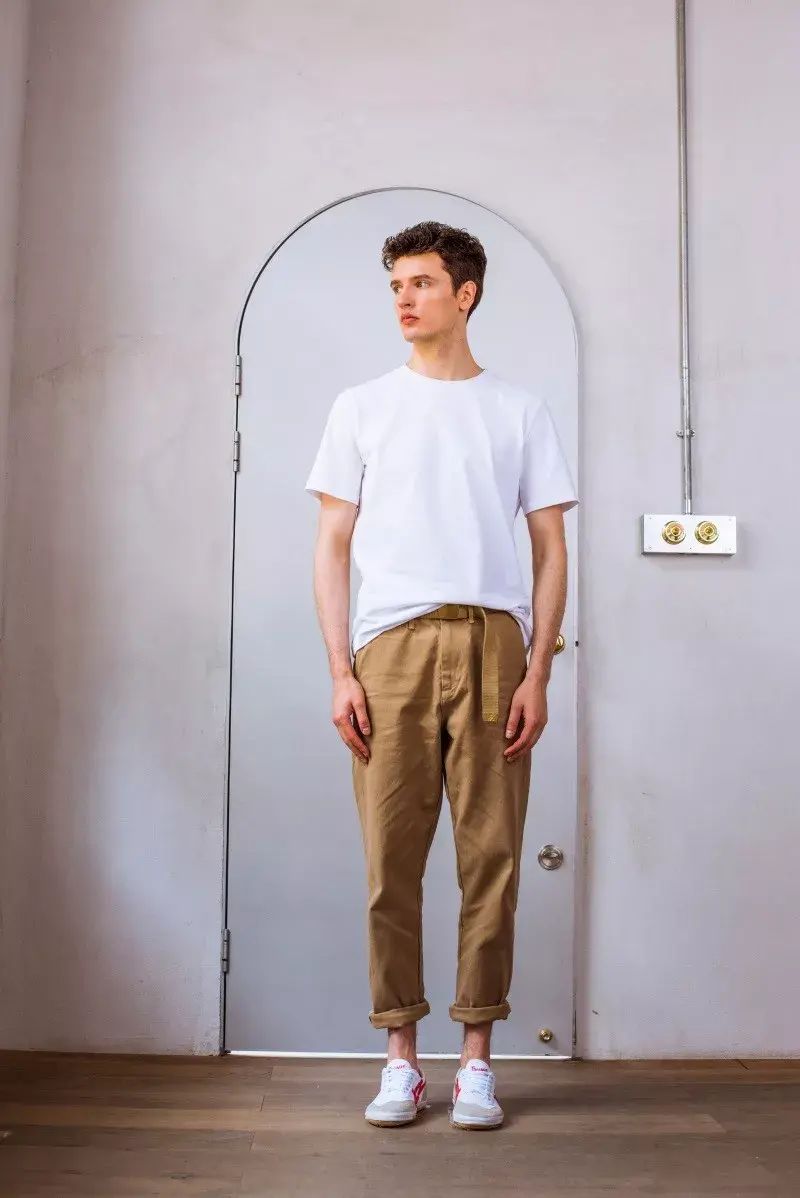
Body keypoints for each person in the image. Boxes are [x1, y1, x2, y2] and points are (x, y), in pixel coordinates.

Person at [304, 220, 578, 1129]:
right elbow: (331, 545)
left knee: (491, 859)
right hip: (390, 648)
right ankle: (400, 1060)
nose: (403, 299)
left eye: (420, 282)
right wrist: (340, 670)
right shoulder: (361, 406)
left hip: (495, 644)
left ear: (466, 294)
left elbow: (550, 550)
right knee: (391, 862)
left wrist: (538, 672)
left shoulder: (519, 410)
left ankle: (475, 1063)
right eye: (395, 285)